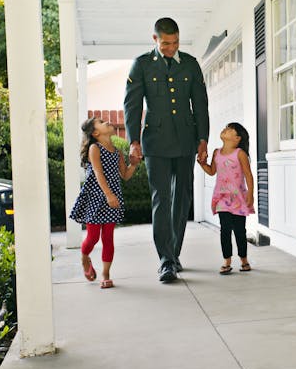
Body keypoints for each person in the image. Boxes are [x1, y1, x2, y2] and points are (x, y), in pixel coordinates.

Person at [124, 17, 210, 283]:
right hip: (156, 143)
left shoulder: (191, 65)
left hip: (185, 141)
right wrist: (134, 141)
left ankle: (173, 254)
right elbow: (133, 105)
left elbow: (200, 105)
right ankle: (165, 261)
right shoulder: (142, 65)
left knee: (182, 199)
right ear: (155, 40)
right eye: (165, 43)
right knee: (161, 200)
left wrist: (203, 139)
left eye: (175, 43)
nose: (171, 48)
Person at [69, 118, 137, 289]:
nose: (106, 121)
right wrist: (108, 194)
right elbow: (98, 174)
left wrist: (134, 164)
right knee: (93, 237)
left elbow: (125, 175)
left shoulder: (117, 152)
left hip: (111, 198)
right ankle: (85, 258)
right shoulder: (95, 148)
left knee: (108, 238)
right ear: (95, 133)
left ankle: (106, 273)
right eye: (100, 122)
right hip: (96, 197)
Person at [197, 123, 255, 274]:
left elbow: (248, 175)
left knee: (240, 231)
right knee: (225, 230)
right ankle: (227, 261)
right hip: (222, 198)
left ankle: (244, 260)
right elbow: (211, 171)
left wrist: (250, 194)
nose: (225, 129)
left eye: (230, 129)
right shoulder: (217, 153)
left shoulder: (240, 153)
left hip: (238, 199)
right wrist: (202, 164)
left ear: (237, 138)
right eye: (225, 127)